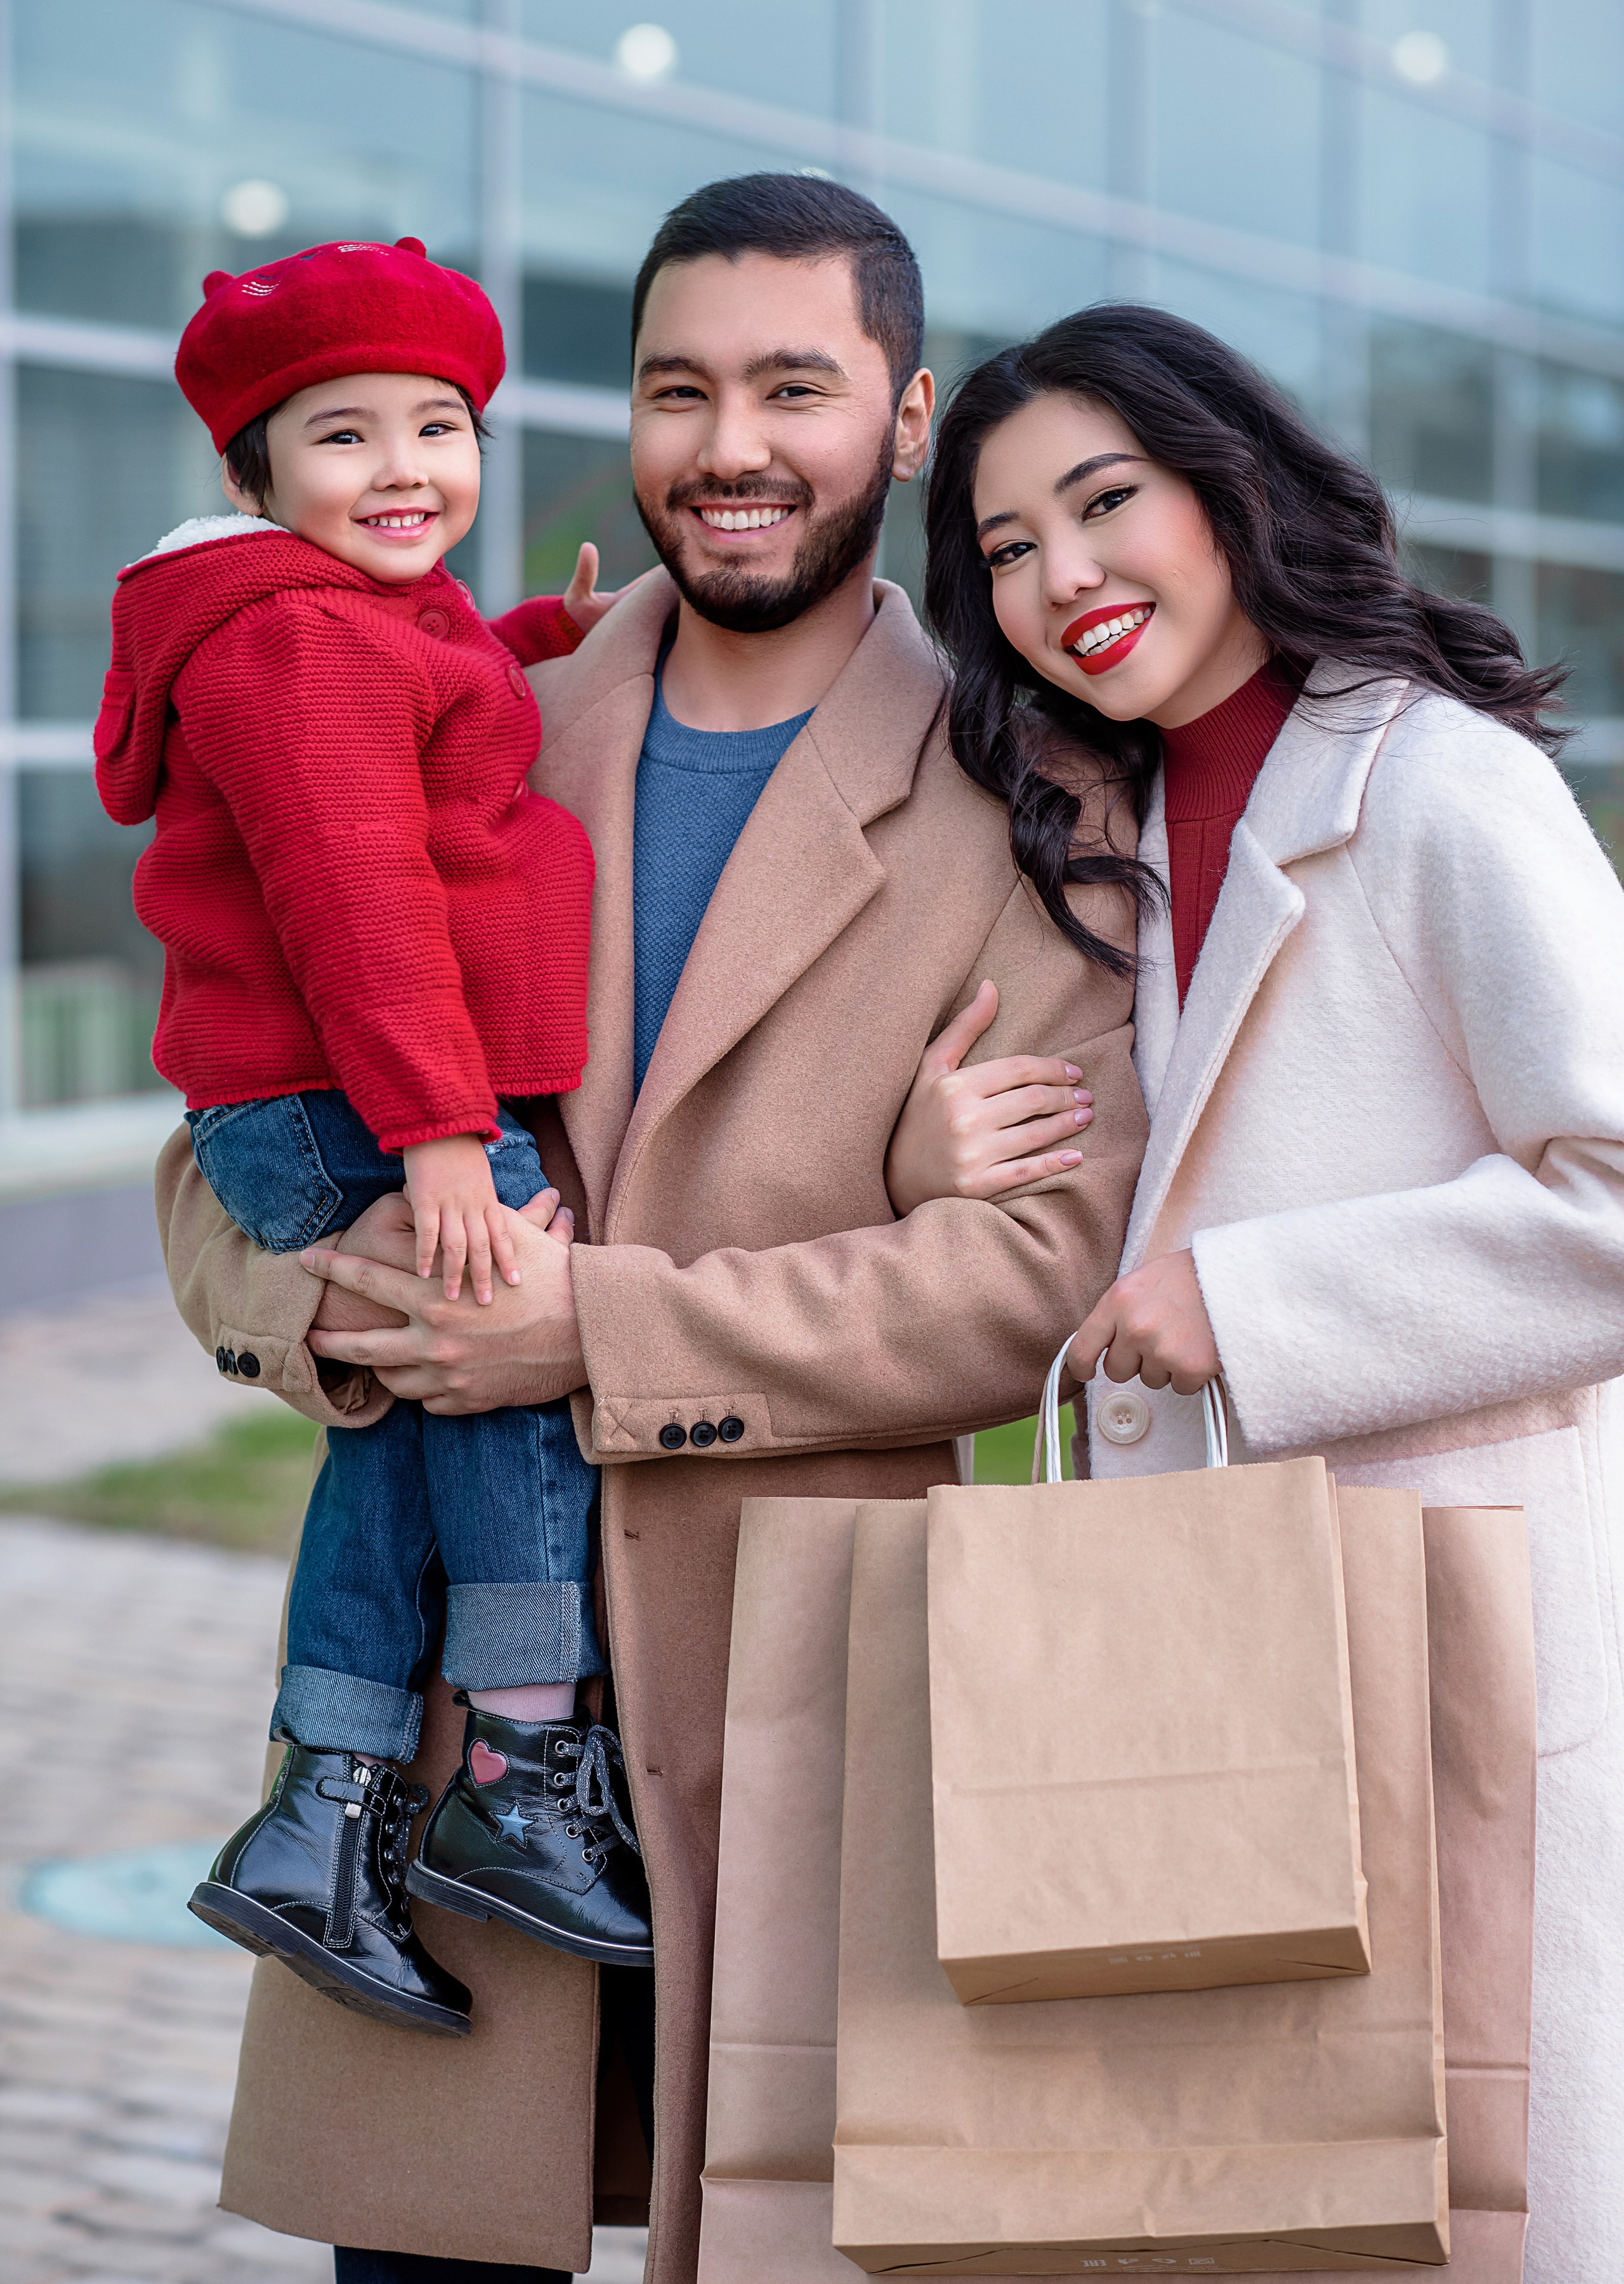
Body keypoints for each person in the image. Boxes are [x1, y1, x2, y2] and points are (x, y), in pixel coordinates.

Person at [154, 178, 1150, 2284]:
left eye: (797, 385)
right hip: (447, 1761)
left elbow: (1036, 1279)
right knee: (424, 2263)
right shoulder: (461, 701)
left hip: (806, 1705)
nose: (732, 443)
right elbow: (214, 1158)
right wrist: (364, 1321)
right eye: (680, 387)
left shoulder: (1030, 781)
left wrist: (584, 1333)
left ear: (905, 415)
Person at [888, 303, 1624, 2284]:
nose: (1064, 578)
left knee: (1481, 2203)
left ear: (1233, 482)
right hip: (1216, 1659)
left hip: (1458, 1634)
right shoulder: (1101, 833)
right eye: (1009, 549)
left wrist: (1259, 1299)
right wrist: (951, 1158)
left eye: (1104, 501)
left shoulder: (1443, 779)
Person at [96, 237, 658, 2042]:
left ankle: (325, 1814)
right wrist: (437, 1136)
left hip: (316, 1094)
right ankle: (519, 1762)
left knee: (406, 1442)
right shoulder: (289, 642)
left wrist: (527, 646)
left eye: (442, 424)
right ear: (249, 475)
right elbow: (357, 889)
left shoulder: (332, 627)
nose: (408, 466)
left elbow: (398, 725)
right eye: (345, 435)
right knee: (501, 1367)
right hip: (361, 1093)